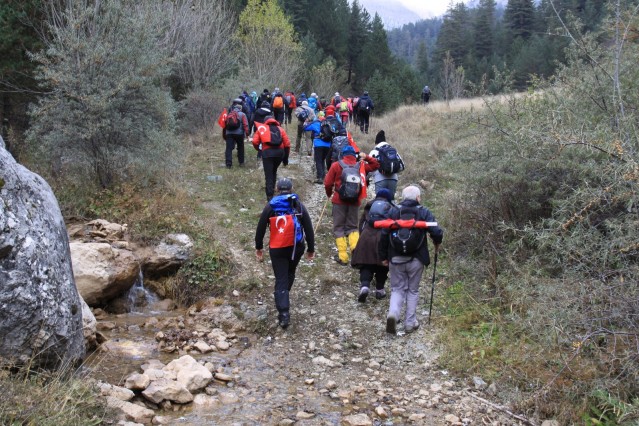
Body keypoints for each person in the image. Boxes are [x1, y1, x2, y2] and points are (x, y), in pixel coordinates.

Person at [378, 185, 444, 334]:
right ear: (418, 198)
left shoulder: (393, 211)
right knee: (412, 290)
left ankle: (393, 314)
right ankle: (409, 323)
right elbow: (436, 231)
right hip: (417, 258)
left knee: (397, 288)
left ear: (402, 197)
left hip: (395, 257)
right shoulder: (424, 212)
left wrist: (383, 256)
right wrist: (436, 242)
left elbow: (383, 234)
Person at [255, 178, 315, 329]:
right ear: (292, 188)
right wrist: (310, 249)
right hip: (296, 247)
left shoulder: (271, 205)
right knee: (290, 272)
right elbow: (308, 228)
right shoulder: (299, 205)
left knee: (281, 278)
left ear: (276, 188)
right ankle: (283, 296)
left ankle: (284, 313)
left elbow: (261, 227)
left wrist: (259, 247)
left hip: (277, 247)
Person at [324, 145, 379, 265]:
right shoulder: (361, 166)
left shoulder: (336, 165)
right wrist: (367, 157)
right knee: (353, 227)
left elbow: (328, 183)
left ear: (342, 154)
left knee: (339, 228)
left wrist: (329, 194)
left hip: (339, 200)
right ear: (354, 155)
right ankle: (356, 256)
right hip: (355, 201)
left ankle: (343, 257)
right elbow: (376, 165)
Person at [351, 188, 394, 302]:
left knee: (366, 263)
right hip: (383, 238)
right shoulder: (392, 208)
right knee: (382, 265)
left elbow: (361, 224)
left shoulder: (369, 206)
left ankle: (365, 286)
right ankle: (379, 290)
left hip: (367, 236)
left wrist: (362, 237)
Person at [252, 117, 291, 201]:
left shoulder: (262, 129)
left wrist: (259, 149)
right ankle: (272, 190)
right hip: (279, 154)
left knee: (268, 174)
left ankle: (270, 196)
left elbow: (255, 141)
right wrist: (285, 159)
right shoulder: (280, 129)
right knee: (274, 171)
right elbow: (287, 144)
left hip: (267, 154)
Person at [369, 130, 405, 199]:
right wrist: (392, 171)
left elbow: (369, 168)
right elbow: (402, 166)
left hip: (380, 179)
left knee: (380, 201)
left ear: (376, 143)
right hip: (393, 179)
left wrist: (367, 179)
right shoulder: (393, 151)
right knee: (391, 201)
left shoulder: (374, 151)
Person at [303, 114, 332, 184]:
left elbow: (305, 128)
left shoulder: (315, 123)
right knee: (322, 159)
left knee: (318, 160)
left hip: (318, 144)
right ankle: (323, 175)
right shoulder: (328, 125)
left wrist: (305, 122)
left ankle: (320, 177)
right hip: (328, 145)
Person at [224, 98, 250, 168]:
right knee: (241, 147)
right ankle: (241, 162)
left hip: (229, 133)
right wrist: (247, 134)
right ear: (240, 109)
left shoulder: (229, 114)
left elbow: (225, 125)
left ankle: (228, 164)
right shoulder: (242, 114)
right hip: (239, 134)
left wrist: (225, 135)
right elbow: (246, 125)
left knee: (228, 148)